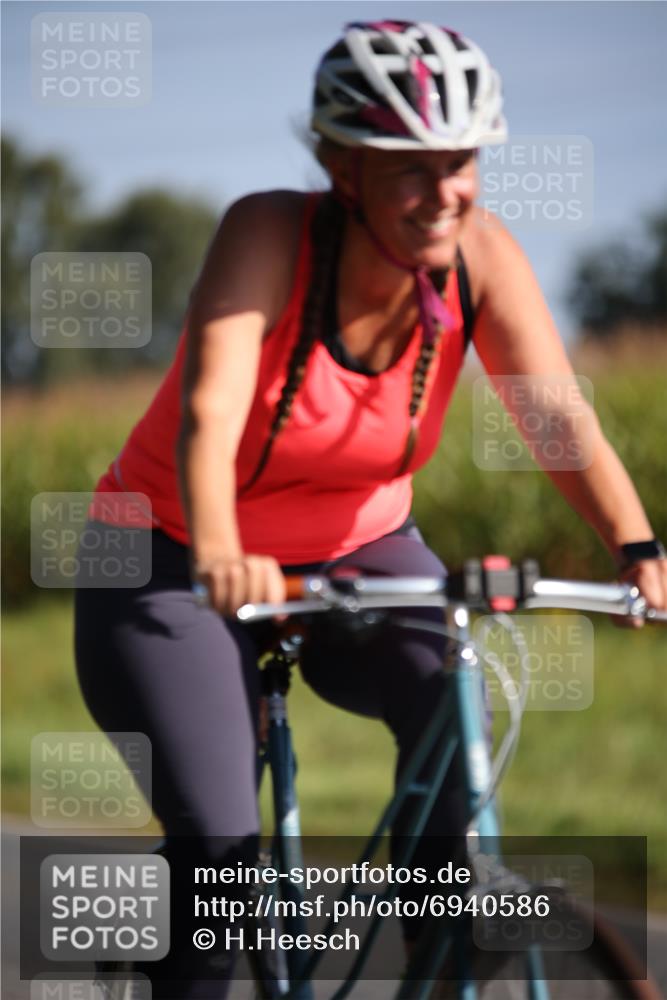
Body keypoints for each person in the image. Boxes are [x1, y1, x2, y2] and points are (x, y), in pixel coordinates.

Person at [74, 19, 666, 998]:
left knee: (448, 708)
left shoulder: (479, 258)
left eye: (461, 163)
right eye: (410, 169)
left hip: (359, 548)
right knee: (221, 850)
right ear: (344, 171)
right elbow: (211, 409)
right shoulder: (267, 235)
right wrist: (221, 549)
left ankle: (445, 958)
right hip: (171, 556)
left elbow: (557, 423)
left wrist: (637, 546)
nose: (444, 194)